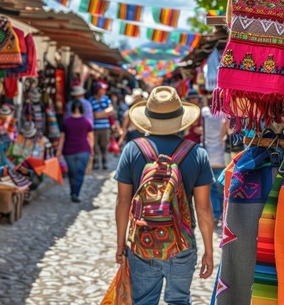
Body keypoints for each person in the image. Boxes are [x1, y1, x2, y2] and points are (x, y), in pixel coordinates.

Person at [114, 86, 215, 305]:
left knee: (143, 301)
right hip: (182, 243)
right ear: (180, 119)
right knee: (179, 301)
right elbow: (204, 208)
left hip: (143, 241)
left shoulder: (132, 150)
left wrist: (121, 243)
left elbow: (123, 201)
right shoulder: (197, 153)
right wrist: (209, 250)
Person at [56, 100, 94, 203]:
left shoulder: (66, 121)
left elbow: (62, 138)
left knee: (72, 173)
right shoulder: (87, 121)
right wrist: (91, 150)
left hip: (69, 150)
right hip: (83, 150)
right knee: (79, 173)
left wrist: (59, 150)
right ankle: (75, 193)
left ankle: (73, 192)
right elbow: (91, 138)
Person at [201, 98, 227, 230]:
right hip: (222, 157)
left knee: (212, 190)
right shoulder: (224, 114)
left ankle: (216, 215)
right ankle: (223, 216)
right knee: (223, 189)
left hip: (208, 158)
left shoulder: (204, 113)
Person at [89, 80, 113, 170]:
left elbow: (111, 111)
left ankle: (104, 161)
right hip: (94, 127)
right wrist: (105, 113)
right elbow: (93, 115)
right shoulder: (91, 100)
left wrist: (99, 114)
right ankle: (96, 162)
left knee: (104, 145)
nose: (104, 91)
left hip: (105, 127)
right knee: (95, 146)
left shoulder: (106, 98)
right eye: (102, 89)